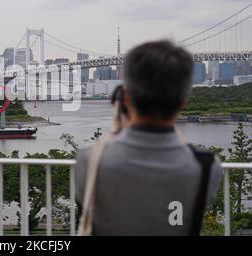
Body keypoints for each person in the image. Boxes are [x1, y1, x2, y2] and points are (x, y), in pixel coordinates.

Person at [76, 40, 222, 236]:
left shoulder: (90, 160)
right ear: (183, 103)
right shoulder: (207, 167)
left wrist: (120, 128)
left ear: (125, 99)